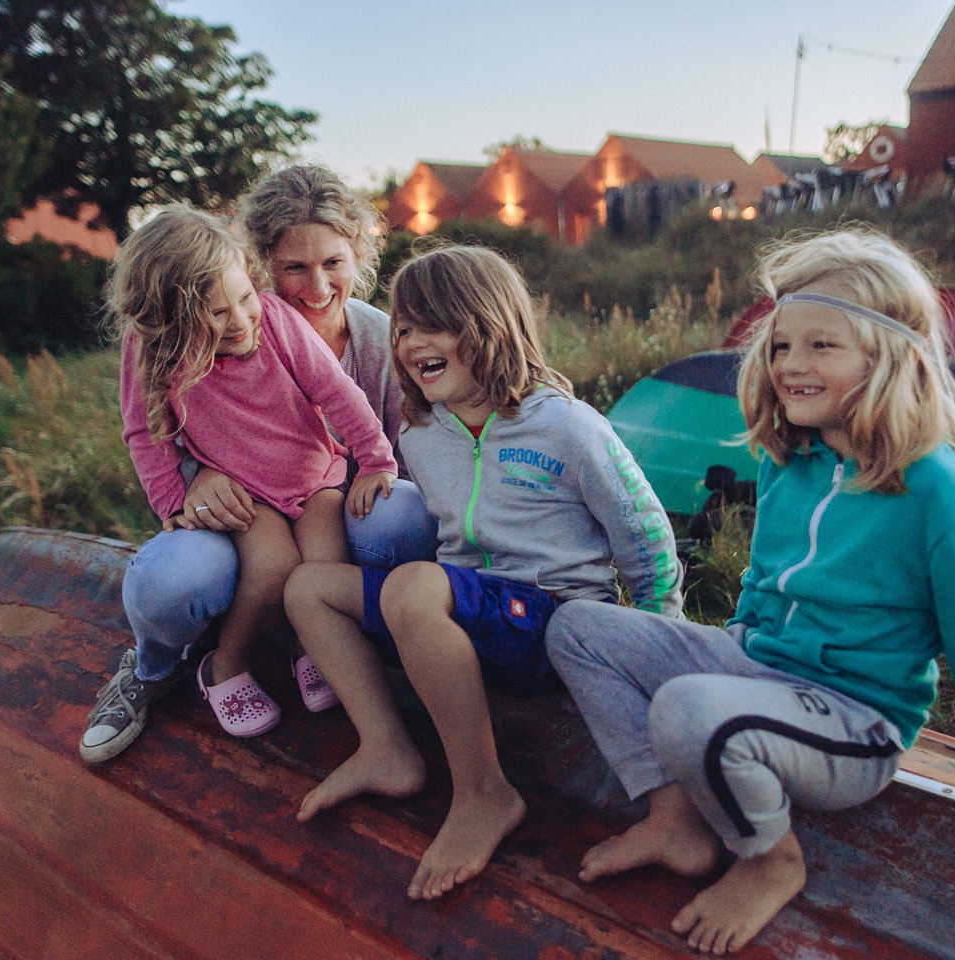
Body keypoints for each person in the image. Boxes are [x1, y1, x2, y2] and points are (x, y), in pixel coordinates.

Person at [545, 229, 955, 955]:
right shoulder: (792, 463)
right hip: (760, 672)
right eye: (783, 345)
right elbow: (760, 589)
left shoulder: (944, 495)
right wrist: (720, 657)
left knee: (689, 710)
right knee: (577, 628)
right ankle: (674, 820)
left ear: (889, 359)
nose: (792, 365)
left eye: (823, 347)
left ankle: (770, 859)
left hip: (854, 724)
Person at [281, 245, 683, 901]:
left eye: (433, 324)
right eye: (403, 327)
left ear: (487, 324)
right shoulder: (421, 433)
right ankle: (386, 748)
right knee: (309, 589)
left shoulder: (566, 427)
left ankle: (483, 794)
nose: (411, 343)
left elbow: (646, 538)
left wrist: (653, 650)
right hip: (473, 621)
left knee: (415, 587)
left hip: (551, 623)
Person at [80, 164, 437, 764]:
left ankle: (313, 649)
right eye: (295, 267)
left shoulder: (332, 329)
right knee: (262, 569)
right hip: (241, 495)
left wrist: (376, 459)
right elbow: (146, 430)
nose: (316, 285)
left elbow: (343, 396)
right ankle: (204, 665)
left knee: (326, 564)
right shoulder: (164, 347)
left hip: (321, 479)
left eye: (333, 263)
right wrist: (177, 498)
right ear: (263, 262)